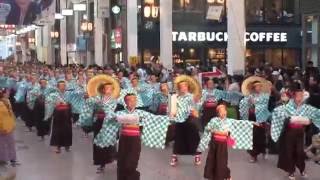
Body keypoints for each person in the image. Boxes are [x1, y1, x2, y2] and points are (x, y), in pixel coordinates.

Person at [94, 93, 172, 180]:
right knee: (121, 163)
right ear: (125, 102)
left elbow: (155, 118)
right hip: (124, 140)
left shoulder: (140, 112)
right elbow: (110, 117)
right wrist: (106, 105)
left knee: (131, 163)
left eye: (134, 100)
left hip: (135, 140)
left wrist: (170, 117)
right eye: (130, 100)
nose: (133, 102)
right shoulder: (120, 113)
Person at [271, 82, 320, 180]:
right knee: (289, 152)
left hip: (300, 133)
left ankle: (302, 169)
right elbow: (277, 112)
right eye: (299, 95)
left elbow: (316, 113)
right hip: (289, 133)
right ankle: (291, 171)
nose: (301, 97)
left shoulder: (306, 107)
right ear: (293, 96)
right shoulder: (286, 107)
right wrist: (290, 118)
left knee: (300, 152)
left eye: (302, 95)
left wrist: (308, 120)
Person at [198, 104, 255, 180]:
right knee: (212, 159)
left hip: (222, 144)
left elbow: (240, 123)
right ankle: (211, 176)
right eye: (221, 111)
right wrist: (213, 132)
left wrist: (252, 123)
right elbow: (208, 128)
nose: (223, 113)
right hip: (214, 143)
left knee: (222, 161)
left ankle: (226, 175)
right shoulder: (214, 120)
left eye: (224, 110)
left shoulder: (229, 121)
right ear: (218, 113)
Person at [78, 75, 119, 173]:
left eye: (110, 88)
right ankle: (101, 164)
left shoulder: (114, 100)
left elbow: (112, 111)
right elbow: (90, 104)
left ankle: (113, 158)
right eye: (106, 88)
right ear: (103, 90)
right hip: (99, 122)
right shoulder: (96, 98)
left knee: (110, 142)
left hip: (110, 123)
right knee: (98, 142)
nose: (108, 90)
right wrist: (87, 98)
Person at [169, 75, 202, 166]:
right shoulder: (176, 97)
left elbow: (196, 108)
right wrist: (172, 116)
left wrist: (195, 108)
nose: (183, 87)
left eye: (185, 86)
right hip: (179, 120)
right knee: (178, 139)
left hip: (190, 120)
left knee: (193, 138)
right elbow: (172, 109)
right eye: (181, 86)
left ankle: (197, 156)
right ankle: (174, 157)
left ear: (188, 87)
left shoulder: (192, 97)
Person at [239, 77, 271, 163]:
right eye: (256, 86)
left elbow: (264, 105)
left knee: (262, 135)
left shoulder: (265, 96)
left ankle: (263, 150)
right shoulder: (249, 96)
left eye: (260, 86)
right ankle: (253, 155)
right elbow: (245, 106)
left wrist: (255, 102)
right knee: (253, 136)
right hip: (252, 117)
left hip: (261, 117)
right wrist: (248, 102)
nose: (258, 88)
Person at [44, 80, 79, 153]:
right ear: (58, 87)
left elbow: (75, 99)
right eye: (61, 86)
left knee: (68, 130)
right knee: (57, 130)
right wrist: (54, 102)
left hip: (67, 114)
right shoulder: (54, 94)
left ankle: (67, 146)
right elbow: (48, 101)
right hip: (58, 114)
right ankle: (57, 147)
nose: (63, 87)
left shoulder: (69, 94)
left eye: (64, 85)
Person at [0, 88, 19, 166]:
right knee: (2, 144)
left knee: (11, 143)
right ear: (3, 94)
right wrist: (1, 127)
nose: (8, 94)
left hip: (9, 126)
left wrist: (13, 123)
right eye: (7, 93)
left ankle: (13, 159)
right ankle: (3, 159)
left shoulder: (7, 101)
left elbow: (11, 113)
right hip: (2, 127)